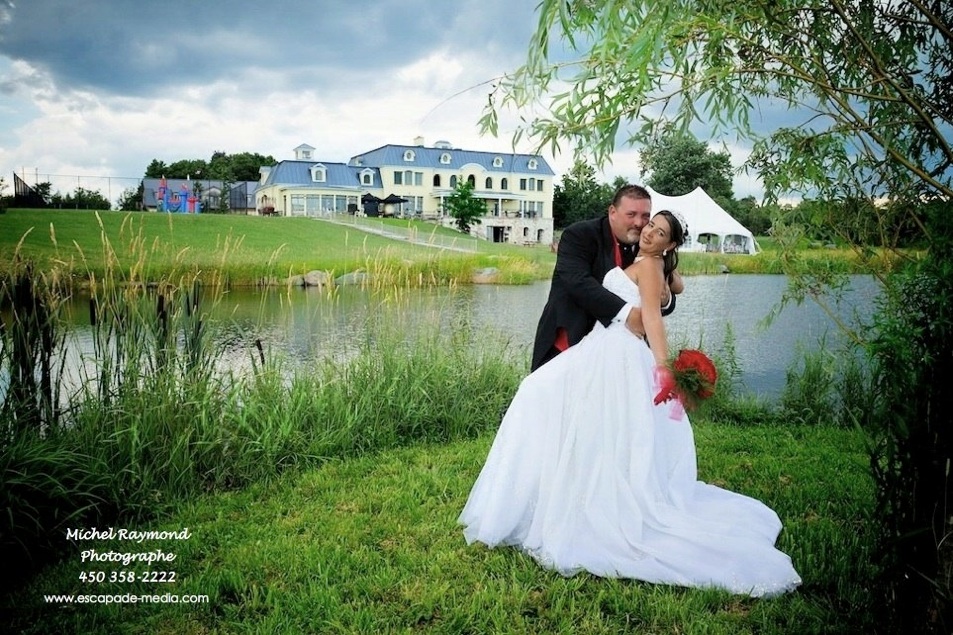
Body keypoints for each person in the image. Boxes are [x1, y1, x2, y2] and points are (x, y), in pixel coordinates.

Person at [459, 210, 801, 597]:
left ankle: (586, 500)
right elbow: (679, 288)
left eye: (660, 232)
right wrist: (670, 267)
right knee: (564, 407)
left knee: (546, 398)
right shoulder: (654, 264)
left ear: (670, 243)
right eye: (650, 226)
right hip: (603, 346)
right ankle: (562, 489)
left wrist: (662, 368)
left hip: (619, 353)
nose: (649, 232)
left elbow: (653, 318)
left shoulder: (650, 266)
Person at [531, 184, 684, 371]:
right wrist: (628, 313)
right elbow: (577, 281)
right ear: (612, 212)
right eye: (631, 214)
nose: (639, 223)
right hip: (569, 340)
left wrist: (666, 299)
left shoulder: (646, 246)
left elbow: (660, 293)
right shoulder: (579, 235)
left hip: (617, 355)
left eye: (645, 216)